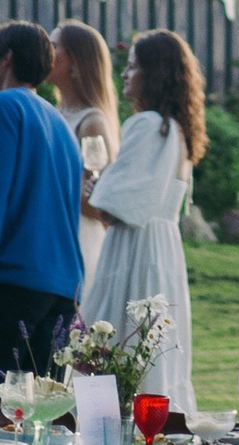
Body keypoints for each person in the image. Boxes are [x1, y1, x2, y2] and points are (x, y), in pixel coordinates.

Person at [0, 21, 86, 405]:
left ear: (7, 58)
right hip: (61, 289)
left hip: (9, 283)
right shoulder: (61, 125)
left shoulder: (2, 107)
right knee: (38, 413)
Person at [82, 30, 207, 418]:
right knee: (155, 345)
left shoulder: (147, 125)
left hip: (134, 248)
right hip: (163, 249)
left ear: (153, 74)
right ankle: (158, 422)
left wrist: (97, 187)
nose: (125, 75)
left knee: (119, 330)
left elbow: (116, 204)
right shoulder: (177, 131)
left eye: (133, 66)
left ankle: (109, 425)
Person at [52, 19, 121, 264]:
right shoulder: (55, 113)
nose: (46, 53)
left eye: (54, 46)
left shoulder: (91, 123)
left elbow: (97, 197)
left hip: (78, 239)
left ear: (74, 61)